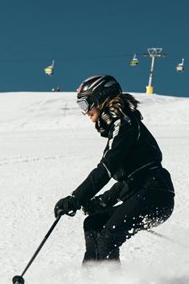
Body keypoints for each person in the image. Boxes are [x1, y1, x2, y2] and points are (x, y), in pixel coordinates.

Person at [54, 75, 175, 264]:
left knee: (108, 237)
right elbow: (131, 179)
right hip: (146, 192)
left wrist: (76, 198)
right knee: (93, 224)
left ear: (101, 98)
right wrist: (102, 202)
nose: (85, 112)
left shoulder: (124, 123)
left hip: (155, 194)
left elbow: (107, 167)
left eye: (85, 105)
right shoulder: (120, 126)